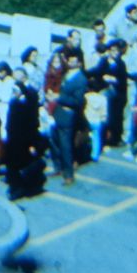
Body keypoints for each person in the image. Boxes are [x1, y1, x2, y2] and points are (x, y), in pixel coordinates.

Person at [52, 50, 87, 186]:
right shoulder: (67, 74)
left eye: (74, 60)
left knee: (66, 145)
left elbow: (77, 101)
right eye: (69, 60)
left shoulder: (80, 79)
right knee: (56, 139)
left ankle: (68, 174)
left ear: (79, 63)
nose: (70, 62)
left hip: (69, 114)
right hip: (59, 112)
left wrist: (59, 98)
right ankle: (59, 167)